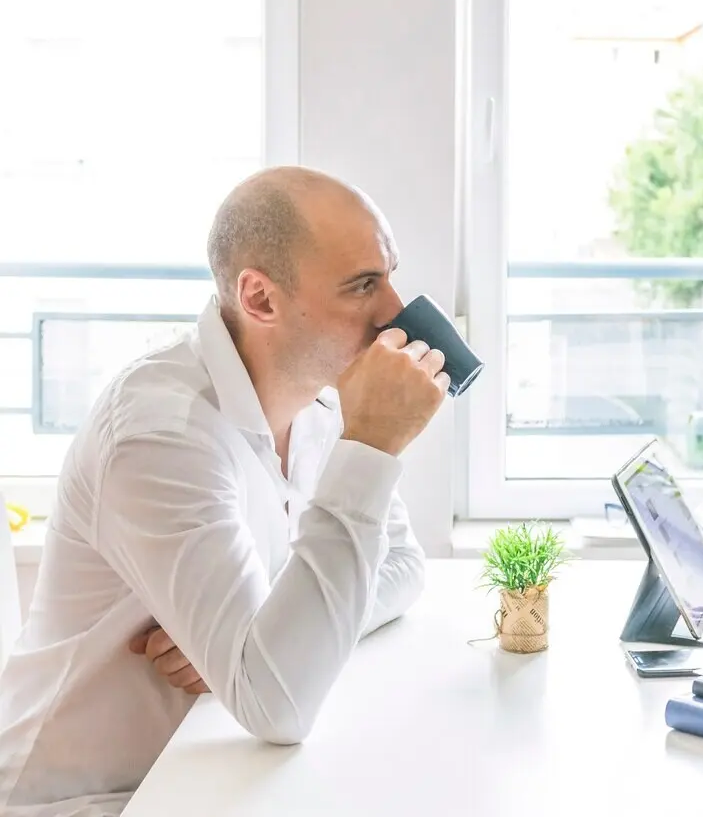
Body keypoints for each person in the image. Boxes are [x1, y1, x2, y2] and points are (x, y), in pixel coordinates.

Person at [0, 166, 447, 816]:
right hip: (90, 801)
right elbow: (278, 703)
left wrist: (260, 633)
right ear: (260, 299)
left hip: (211, 779)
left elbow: (403, 567)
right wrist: (373, 447)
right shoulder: (161, 434)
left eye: (390, 275)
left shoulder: (321, 402)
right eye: (363, 286)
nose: (397, 313)